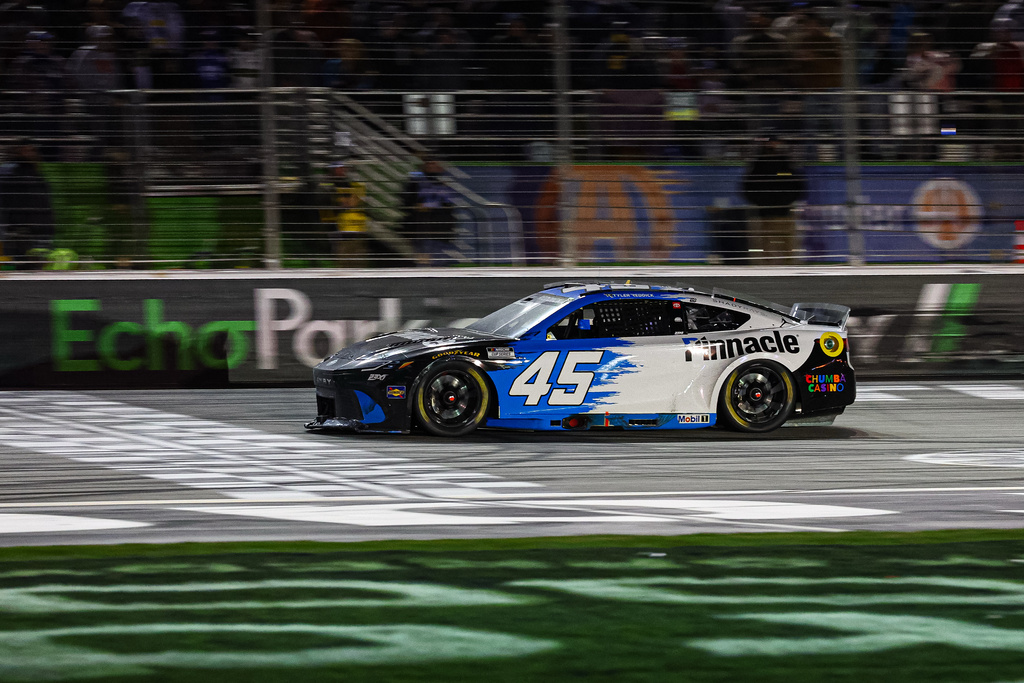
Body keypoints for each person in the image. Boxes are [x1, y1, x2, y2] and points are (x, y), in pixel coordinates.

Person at [741, 136, 807, 265]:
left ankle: (788, 271)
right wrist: (762, 202)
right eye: (771, 142)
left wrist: (787, 200)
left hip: (784, 213)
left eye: (776, 142)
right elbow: (747, 187)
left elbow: (799, 185)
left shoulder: (786, 162)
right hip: (766, 215)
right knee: (768, 248)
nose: (774, 145)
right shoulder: (758, 164)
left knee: (787, 247)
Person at [0, 143, 57, 269]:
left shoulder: (37, 175)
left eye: (32, 150)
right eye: (25, 150)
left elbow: (44, 203)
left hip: (38, 230)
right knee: (26, 267)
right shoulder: (13, 174)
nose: (30, 153)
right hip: (25, 231)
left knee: (37, 267)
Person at [400, 157, 459, 266]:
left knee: (439, 264)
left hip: (440, 231)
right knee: (425, 264)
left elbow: (449, 205)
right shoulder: (415, 181)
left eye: (435, 163)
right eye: (429, 163)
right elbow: (406, 204)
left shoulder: (445, 183)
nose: (432, 166)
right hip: (422, 230)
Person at [320, 162, 370, 267]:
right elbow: (342, 202)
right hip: (334, 222)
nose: (343, 171)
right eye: (340, 169)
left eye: (343, 169)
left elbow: (354, 201)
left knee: (354, 248)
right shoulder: (327, 184)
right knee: (340, 249)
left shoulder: (346, 183)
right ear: (332, 170)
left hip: (349, 223)